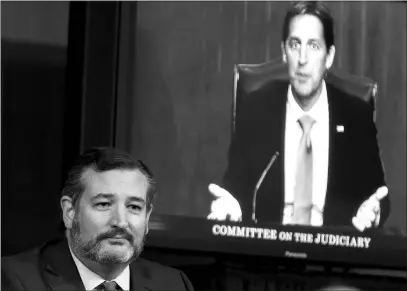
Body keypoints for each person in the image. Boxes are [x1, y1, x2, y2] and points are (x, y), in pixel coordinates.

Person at [208, 1, 390, 231]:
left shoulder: (356, 115)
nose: (302, 58)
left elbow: (378, 197)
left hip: (332, 255)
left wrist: (373, 212)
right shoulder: (256, 109)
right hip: (268, 253)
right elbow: (237, 188)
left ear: (329, 56)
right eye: (295, 45)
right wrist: (231, 206)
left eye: (313, 46)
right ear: (284, 52)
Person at [2, 147, 194, 291]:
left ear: (147, 218)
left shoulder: (174, 284)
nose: (120, 221)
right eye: (103, 204)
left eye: (134, 207)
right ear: (70, 212)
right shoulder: (15, 280)